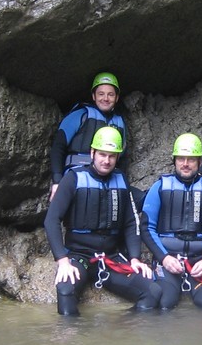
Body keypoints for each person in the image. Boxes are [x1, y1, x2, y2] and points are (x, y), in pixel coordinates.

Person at [43, 126, 161, 316]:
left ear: (117, 157)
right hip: (78, 256)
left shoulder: (121, 180)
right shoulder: (73, 178)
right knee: (65, 290)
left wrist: (135, 258)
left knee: (153, 292)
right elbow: (51, 220)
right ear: (92, 153)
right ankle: (74, 334)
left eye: (112, 156)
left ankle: (120, 329)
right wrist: (62, 261)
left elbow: (131, 223)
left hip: (110, 257)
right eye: (102, 155)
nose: (106, 160)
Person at [142, 134, 202, 310]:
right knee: (164, 304)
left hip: (200, 261)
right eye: (181, 159)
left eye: (191, 159)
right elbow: (146, 227)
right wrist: (164, 258)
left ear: (199, 161)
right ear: (174, 160)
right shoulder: (159, 187)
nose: (185, 163)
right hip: (168, 260)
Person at [49, 72, 131, 202]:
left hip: (107, 181)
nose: (105, 98)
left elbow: (123, 157)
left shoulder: (119, 122)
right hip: (76, 177)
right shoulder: (80, 115)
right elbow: (58, 147)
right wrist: (57, 181)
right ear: (93, 96)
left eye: (110, 94)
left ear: (116, 97)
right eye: (101, 94)